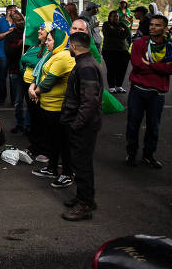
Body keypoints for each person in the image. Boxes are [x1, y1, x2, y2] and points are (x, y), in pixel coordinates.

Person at [126, 14, 172, 169]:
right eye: (152, 24)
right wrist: (158, 67)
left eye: (157, 25)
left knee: (153, 126)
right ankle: (131, 153)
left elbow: (170, 69)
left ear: (165, 28)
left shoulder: (170, 46)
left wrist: (149, 64)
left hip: (157, 93)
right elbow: (137, 65)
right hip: (138, 91)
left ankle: (149, 155)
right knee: (133, 124)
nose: (153, 27)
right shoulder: (139, 44)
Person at [60, 32, 103, 221]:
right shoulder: (86, 63)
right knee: (81, 164)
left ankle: (84, 205)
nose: (68, 48)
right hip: (82, 123)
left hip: (83, 126)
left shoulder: (85, 67)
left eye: (69, 45)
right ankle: (85, 198)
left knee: (82, 165)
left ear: (74, 47)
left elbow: (89, 101)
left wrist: (76, 124)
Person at [29, 27, 75, 189]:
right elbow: (39, 73)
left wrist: (34, 91)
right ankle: (52, 168)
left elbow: (49, 81)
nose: (46, 43)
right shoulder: (52, 54)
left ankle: (67, 173)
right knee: (52, 140)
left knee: (62, 142)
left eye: (49, 40)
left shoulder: (63, 56)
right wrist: (33, 86)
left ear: (60, 42)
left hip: (58, 107)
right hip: (47, 105)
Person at [21, 24, 49, 162]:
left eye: (42, 29)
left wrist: (27, 59)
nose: (39, 31)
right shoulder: (34, 46)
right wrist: (27, 59)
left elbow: (37, 63)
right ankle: (35, 145)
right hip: (28, 84)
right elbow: (24, 60)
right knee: (33, 116)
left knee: (40, 118)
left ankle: (43, 148)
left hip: (37, 88)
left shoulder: (47, 49)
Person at [4, 11, 29, 134]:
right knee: (18, 101)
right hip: (16, 71)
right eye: (18, 20)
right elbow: (8, 53)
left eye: (22, 19)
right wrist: (19, 45)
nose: (21, 22)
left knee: (30, 101)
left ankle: (28, 125)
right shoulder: (10, 36)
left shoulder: (29, 34)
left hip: (29, 72)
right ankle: (20, 123)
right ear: (13, 22)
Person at [0, 5, 17, 105]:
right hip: (2, 53)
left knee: (13, 77)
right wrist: (7, 33)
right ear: (7, 11)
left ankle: (14, 99)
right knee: (2, 77)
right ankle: (2, 98)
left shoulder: (17, 22)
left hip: (14, 54)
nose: (13, 13)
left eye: (15, 11)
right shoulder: (0, 21)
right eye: (12, 11)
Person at [102, 10, 131, 93]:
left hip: (123, 50)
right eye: (114, 16)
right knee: (111, 68)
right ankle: (111, 86)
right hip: (109, 50)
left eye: (117, 16)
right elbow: (108, 33)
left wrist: (117, 32)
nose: (116, 18)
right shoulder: (106, 24)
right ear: (110, 17)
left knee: (122, 69)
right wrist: (120, 32)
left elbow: (128, 33)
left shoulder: (122, 24)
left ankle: (119, 86)